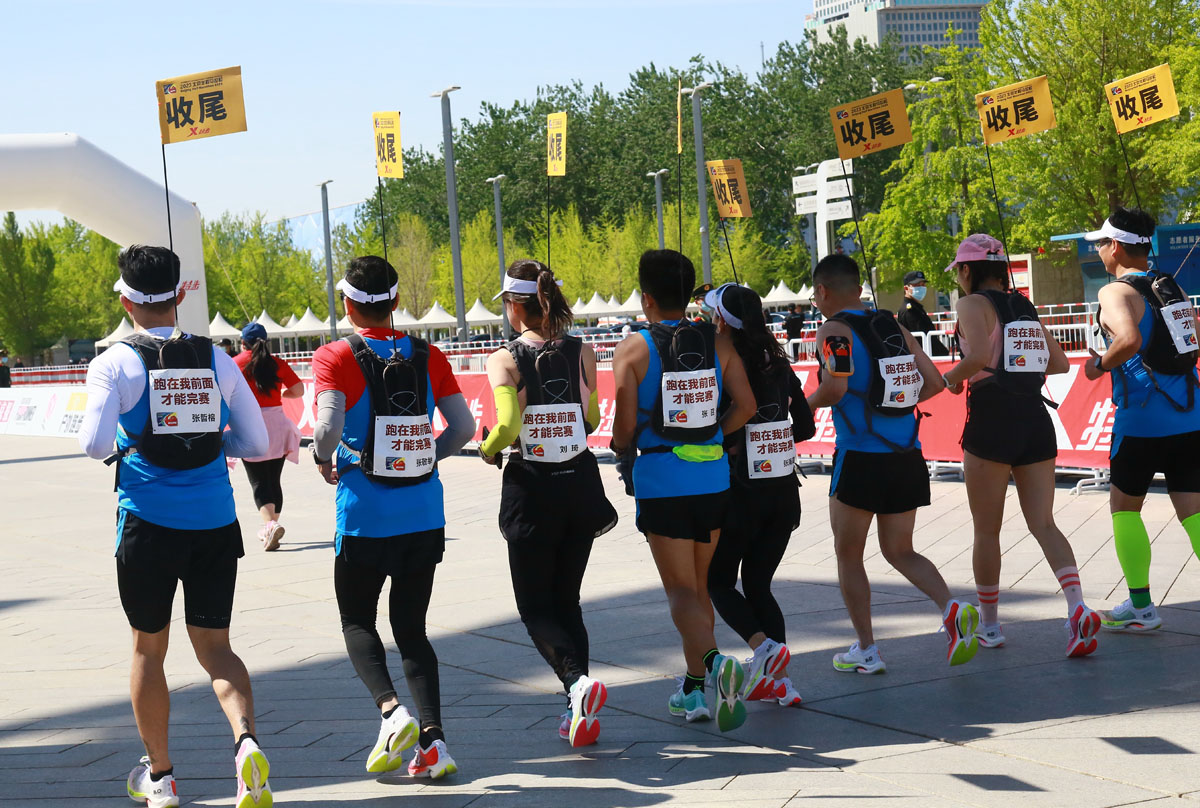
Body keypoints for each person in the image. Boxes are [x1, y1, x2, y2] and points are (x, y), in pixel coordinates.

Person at [77, 245, 273, 808]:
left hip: (149, 525)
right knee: (217, 648)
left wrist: (125, 439)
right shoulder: (214, 357)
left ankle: (160, 776)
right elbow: (256, 443)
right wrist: (218, 443)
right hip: (215, 522)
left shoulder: (113, 362)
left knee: (149, 651)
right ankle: (245, 744)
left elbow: (93, 444)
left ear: (125, 299)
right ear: (181, 293)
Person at [311, 256, 476, 780]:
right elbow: (464, 427)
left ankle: (391, 712)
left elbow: (327, 431)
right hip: (424, 512)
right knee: (412, 628)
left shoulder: (334, 355)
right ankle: (435, 744)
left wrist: (326, 459)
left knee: (357, 620)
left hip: (365, 516)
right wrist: (422, 457)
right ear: (396, 301)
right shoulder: (428, 354)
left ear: (347, 303)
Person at [806, 253, 978, 674]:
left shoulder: (834, 330)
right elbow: (937, 382)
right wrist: (895, 406)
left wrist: (801, 409)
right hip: (906, 455)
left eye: (815, 293)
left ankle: (867, 649)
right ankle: (951, 607)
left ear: (824, 291)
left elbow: (834, 387)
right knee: (901, 550)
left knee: (849, 556)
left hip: (859, 456)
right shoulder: (892, 325)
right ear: (859, 289)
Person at [611, 249, 756, 730]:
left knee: (679, 591)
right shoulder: (718, 343)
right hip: (713, 478)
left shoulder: (632, 349)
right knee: (699, 587)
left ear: (646, 297)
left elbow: (625, 429)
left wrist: (621, 445)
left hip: (662, 481)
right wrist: (713, 430)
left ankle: (716, 664)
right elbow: (747, 406)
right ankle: (695, 690)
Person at [478, 259, 618, 747]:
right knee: (568, 601)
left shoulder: (504, 358)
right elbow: (593, 415)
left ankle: (577, 684)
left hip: (533, 492)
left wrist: (489, 448)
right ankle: (577, 710)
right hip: (580, 484)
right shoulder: (584, 351)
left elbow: (508, 423)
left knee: (534, 604)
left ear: (516, 307)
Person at [941, 234, 1100, 657]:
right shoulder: (1024, 308)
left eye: (958, 270)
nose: (958, 279)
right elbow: (1061, 363)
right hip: (1035, 419)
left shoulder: (971, 305)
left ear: (968, 270)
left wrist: (946, 380)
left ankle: (990, 626)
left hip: (992, 421)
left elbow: (974, 358)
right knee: (1044, 523)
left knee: (986, 529)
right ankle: (1077, 608)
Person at [1082, 207, 1200, 632]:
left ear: (1115, 246)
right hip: (1189, 413)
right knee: (1194, 512)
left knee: (1124, 508)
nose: (1097, 250)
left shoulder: (1115, 293)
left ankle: (1142, 608)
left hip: (1142, 420)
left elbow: (1129, 339)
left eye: (1099, 243)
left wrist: (1097, 366)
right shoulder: (1173, 288)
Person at [704, 283, 815, 708]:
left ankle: (765, 651)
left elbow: (715, 423)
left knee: (717, 581)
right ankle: (782, 683)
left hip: (742, 496)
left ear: (722, 323)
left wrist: (735, 439)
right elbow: (803, 428)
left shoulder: (725, 366)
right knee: (758, 585)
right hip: (784, 493)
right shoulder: (780, 365)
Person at [233, 323, 305, 551]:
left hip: (250, 424)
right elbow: (299, 390)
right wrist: (282, 393)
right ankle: (270, 528)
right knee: (273, 479)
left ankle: (270, 525)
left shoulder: (236, 363)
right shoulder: (277, 363)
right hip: (277, 424)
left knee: (258, 481)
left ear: (243, 342)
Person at [897, 270, 948, 356]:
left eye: (923, 284)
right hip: (925, 357)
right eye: (917, 285)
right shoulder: (909, 311)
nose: (922, 288)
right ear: (906, 288)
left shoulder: (916, 307)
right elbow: (920, 340)